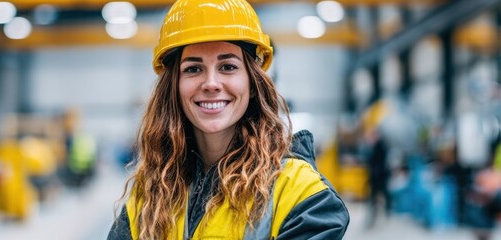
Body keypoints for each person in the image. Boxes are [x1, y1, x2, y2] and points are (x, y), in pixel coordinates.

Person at [107, 0, 349, 239]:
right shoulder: (149, 196)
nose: (211, 83)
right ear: (174, 88)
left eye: (228, 67)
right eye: (193, 69)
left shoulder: (302, 195)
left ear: (252, 84)